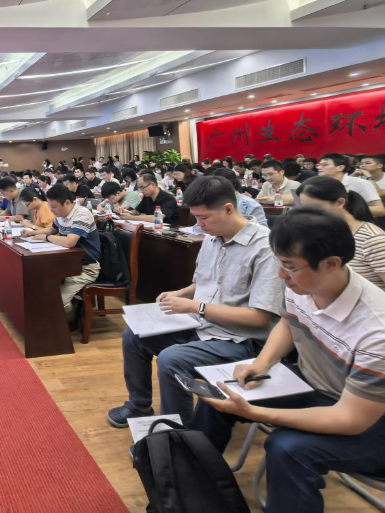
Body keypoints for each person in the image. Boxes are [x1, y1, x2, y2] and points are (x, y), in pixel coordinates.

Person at [188, 207, 385, 513]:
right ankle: (188, 486)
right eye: (280, 263)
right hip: (316, 387)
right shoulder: (304, 285)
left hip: (370, 420)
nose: (282, 275)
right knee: (220, 396)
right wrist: (262, 362)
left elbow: (350, 420)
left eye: (289, 266)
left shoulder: (376, 331)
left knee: (288, 449)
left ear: (332, 264)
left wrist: (254, 412)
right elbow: (289, 322)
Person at [107, 176, 283, 427]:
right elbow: (205, 284)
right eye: (195, 218)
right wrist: (180, 293)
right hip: (202, 325)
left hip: (241, 340)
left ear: (228, 209)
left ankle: (180, 433)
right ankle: (139, 405)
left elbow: (260, 318)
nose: (199, 225)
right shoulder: (212, 237)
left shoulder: (265, 248)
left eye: (204, 218)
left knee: (171, 359)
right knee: (133, 337)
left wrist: (197, 306)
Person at [23, 184, 101, 322]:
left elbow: (69, 242)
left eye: (54, 207)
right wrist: (32, 232)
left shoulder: (81, 214)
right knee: (40, 285)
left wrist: (47, 238)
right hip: (67, 264)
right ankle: (67, 311)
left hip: (85, 267)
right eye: (50, 207)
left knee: (58, 300)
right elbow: (51, 230)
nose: (51, 210)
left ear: (67, 202)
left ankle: (69, 323)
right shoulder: (61, 214)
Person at [297, 176, 385, 290]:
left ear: (340, 202)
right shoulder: (318, 233)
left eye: (316, 208)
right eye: (305, 208)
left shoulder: (372, 239)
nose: (310, 214)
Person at [318, 153, 384, 217]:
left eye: (325, 165)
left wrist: (347, 208)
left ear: (340, 167)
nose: (319, 167)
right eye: (318, 165)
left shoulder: (360, 183)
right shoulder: (320, 184)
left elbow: (380, 210)